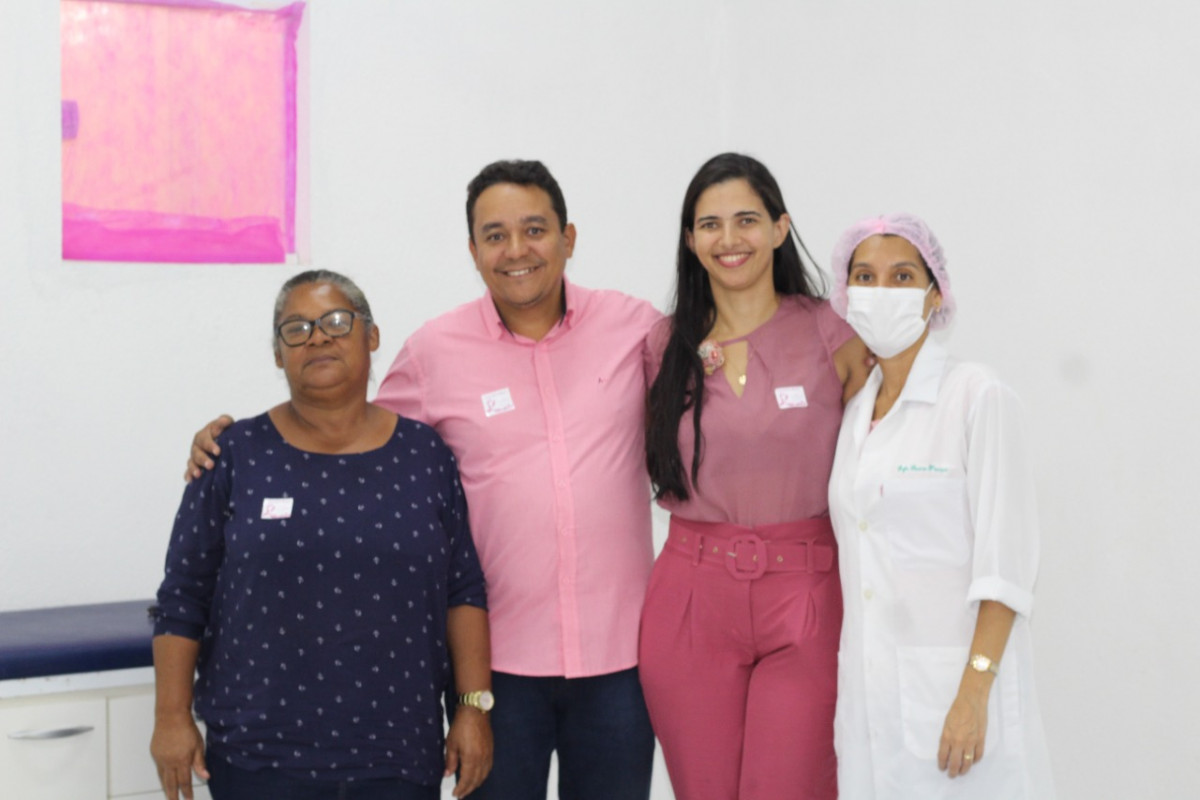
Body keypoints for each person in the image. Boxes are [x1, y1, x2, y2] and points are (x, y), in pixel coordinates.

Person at [186, 161, 661, 800]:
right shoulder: (436, 351)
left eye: (534, 230)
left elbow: (713, 403)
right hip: (496, 671)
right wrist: (237, 445)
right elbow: (351, 437)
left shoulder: (636, 329)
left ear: (567, 237)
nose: (516, 250)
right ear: (473, 250)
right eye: (495, 235)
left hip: (620, 659)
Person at [153, 270, 492, 800]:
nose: (317, 338)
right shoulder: (234, 454)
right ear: (278, 354)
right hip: (257, 756)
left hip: (398, 753)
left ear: (371, 335)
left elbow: (462, 589)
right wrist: (171, 717)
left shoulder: (425, 456)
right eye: (296, 329)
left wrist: (472, 708)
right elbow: (183, 596)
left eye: (336, 321)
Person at [640, 153, 871, 800]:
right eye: (709, 224)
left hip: (808, 595)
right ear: (691, 240)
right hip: (690, 599)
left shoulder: (832, 330)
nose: (729, 238)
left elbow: (881, 454)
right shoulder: (661, 345)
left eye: (746, 219)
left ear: (778, 228)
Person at [826, 214, 1055, 798]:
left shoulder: (978, 396)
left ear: (935, 294)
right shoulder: (856, 413)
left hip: (959, 697)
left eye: (902, 276)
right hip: (871, 703)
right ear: (846, 294)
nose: (882, 291)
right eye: (865, 276)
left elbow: (1006, 565)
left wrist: (974, 691)